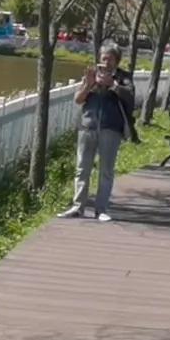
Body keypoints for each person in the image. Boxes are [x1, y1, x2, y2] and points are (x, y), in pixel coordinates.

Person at [64, 42, 137, 222]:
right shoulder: (91, 75)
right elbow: (78, 100)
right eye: (104, 58)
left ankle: (101, 209)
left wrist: (112, 84)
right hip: (88, 126)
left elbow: (130, 98)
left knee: (106, 170)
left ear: (117, 61)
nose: (106, 62)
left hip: (110, 128)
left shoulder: (124, 78)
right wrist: (88, 85)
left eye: (110, 59)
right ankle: (78, 206)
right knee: (82, 168)